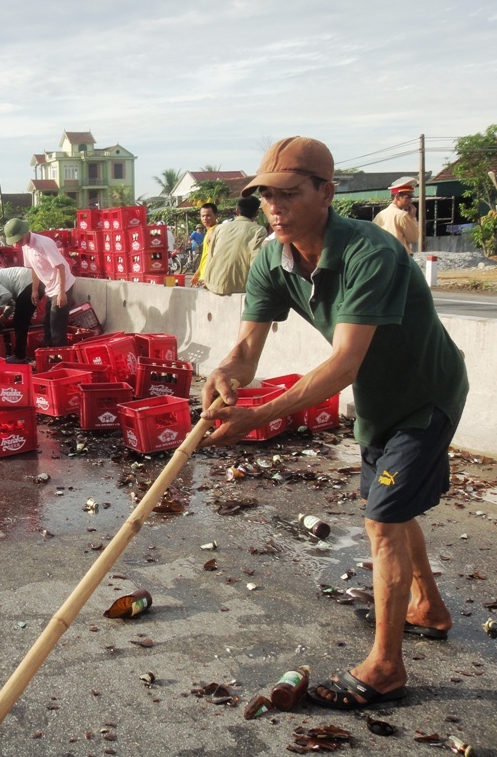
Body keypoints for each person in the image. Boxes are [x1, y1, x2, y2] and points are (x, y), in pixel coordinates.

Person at [199, 137, 468, 711]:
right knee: (389, 506)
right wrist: (226, 373)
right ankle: (429, 609)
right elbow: (248, 348)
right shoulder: (273, 257)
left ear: (327, 192)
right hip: (378, 401)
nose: (275, 206)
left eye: (290, 193)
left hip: (425, 395)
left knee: (382, 520)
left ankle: (386, 669)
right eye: (266, 195)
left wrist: (257, 417)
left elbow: (344, 364)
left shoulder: (370, 252)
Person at [5, 218, 76, 348]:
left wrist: (62, 293)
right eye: (17, 241)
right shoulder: (26, 246)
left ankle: (59, 356)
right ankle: (48, 354)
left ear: (25, 232)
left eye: (19, 239)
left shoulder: (43, 244)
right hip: (50, 287)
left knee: (56, 325)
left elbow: (60, 267)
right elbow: (33, 268)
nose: (19, 243)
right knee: (47, 323)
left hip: (62, 286)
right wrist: (34, 290)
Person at [201, 195, 267, 295]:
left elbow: (210, 256)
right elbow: (256, 262)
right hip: (239, 287)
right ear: (256, 213)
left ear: (237, 211)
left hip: (212, 283)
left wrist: (207, 279)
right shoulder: (258, 230)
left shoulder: (220, 228)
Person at [373, 176, 421, 254]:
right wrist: (412, 217)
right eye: (408, 197)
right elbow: (413, 238)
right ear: (398, 197)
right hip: (400, 257)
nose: (410, 201)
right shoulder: (402, 215)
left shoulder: (380, 215)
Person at [188, 203, 219, 285]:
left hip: (209, 277)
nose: (205, 218)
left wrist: (212, 277)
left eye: (208, 215)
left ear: (216, 216)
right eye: (203, 216)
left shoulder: (214, 231)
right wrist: (197, 274)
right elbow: (205, 256)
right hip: (204, 276)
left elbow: (217, 256)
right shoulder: (208, 231)